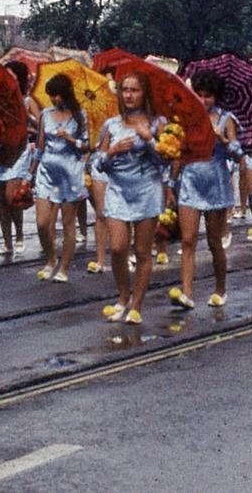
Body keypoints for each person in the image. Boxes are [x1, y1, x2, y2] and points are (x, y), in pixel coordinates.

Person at [94, 71, 164, 324]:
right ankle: (122, 297)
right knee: (118, 247)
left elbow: (166, 159)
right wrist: (111, 151)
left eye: (134, 90)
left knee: (143, 251)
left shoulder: (157, 123)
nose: (129, 95)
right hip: (118, 191)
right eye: (125, 90)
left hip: (147, 190)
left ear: (144, 93)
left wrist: (149, 139)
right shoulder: (111, 124)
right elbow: (98, 164)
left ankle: (137, 304)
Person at [169, 71, 241, 309]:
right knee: (188, 240)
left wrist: (224, 141)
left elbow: (238, 154)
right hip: (190, 182)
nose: (202, 100)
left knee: (213, 241)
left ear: (215, 97)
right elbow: (178, 153)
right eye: (198, 95)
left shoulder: (226, 119)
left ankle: (220, 288)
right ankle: (187, 291)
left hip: (216, 183)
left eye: (207, 96)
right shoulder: (186, 119)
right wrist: (172, 182)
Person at [30, 74, 88, 283]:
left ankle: (64, 267)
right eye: (51, 95)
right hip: (46, 170)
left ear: (65, 94)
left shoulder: (80, 116)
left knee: (68, 222)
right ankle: (51, 259)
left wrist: (71, 139)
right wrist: (30, 172)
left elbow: (86, 145)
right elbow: (39, 145)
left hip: (70, 171)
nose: (54, 99)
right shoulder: (45, 114)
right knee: (42, 222)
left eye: (57, 95)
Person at [0, 61, 36, 257]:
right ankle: (7, 242)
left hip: (19, 152)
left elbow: (42, 123)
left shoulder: (27, 102)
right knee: (1, 199)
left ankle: (19, 235)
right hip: (0, 150)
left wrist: (29, 126)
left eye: (12, 76)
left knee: (13, 197)